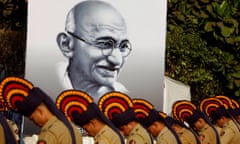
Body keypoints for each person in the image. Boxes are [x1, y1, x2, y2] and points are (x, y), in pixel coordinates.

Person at [56, 0, 132, 102]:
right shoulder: (48, 86)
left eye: (123, 46)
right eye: (104, 44)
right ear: (66, 44)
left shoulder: (126, 98)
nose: (118, 60)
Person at [0, 76, 82, 144]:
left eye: (32, 119)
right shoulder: (74, 130)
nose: (35, 123)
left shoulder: (50, 133)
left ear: (40, 111)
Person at [56, 89, 125, 144]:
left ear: (92, 123)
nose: (87, 133)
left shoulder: (104, 137)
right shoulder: (109, 133)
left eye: (86, 129)